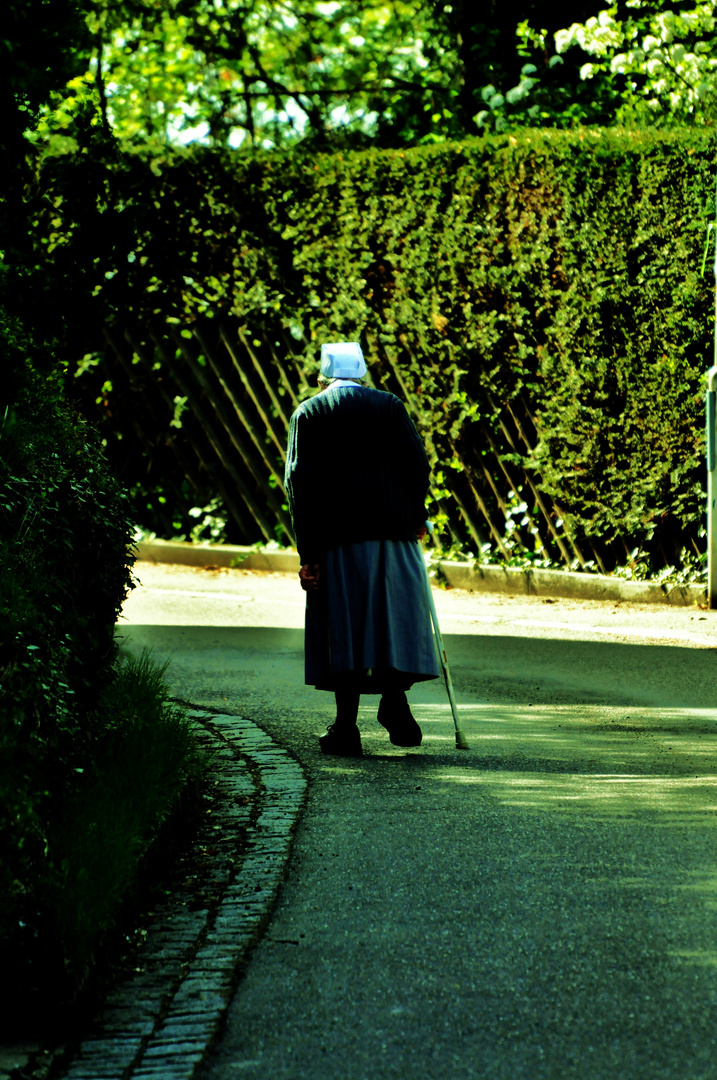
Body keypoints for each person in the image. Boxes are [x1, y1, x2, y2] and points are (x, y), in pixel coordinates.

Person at [284, 340, 440, 756]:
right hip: (395, 538)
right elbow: (418, 463)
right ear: (362, 373)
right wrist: (416, 513)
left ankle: (346, 728)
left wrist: (308, 554)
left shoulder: (310, 413)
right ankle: (394, 702)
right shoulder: (389, 406)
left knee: (345, 630)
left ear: (322, 376)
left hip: (339, 541)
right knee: (391, 622)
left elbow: (299, 483)